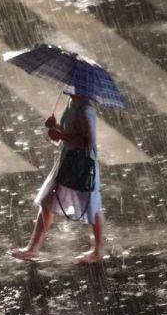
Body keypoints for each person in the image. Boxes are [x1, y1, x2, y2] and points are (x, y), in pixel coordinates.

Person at [10, 93, 104, 263]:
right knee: (47, 201)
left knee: (92, 206)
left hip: (82, 164)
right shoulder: (72, 102)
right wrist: (57, 128)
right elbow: (72, 133)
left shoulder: (85, 108)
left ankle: (98, 250)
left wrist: (61, 135)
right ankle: (32, 249)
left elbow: (86, 141)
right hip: (67, 160)